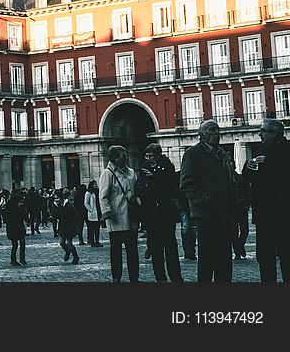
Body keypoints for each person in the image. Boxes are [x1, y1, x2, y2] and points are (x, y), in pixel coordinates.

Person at [180, 119, 235, 282]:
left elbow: (230, 179)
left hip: (225, 213)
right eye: (212, 130)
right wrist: (204, 201)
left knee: (225, 257)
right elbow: (186, 184)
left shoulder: (222, 154)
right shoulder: (193, 154)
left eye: (218, 130)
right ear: (202, 135)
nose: (217, 133)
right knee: (207, 257)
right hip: (206, 214)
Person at [242, 118, 290, 281]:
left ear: (274, 133)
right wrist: (247, 168)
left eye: (263, 131)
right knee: (264, 256)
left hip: (284, 212)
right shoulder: (260, 151)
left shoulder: (287, 150)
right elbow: (249, 178)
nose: (260, 134)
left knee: (286, 254)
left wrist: (269, 163)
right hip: (263, 212)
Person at [137, 142, 183, 282]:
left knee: (170, 246)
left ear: (158, 155)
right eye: (147, 155)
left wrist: (154, 178)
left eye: (151, 156)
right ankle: (160, 277)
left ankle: (175, 276)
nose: (149, 158)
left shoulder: (167, 165)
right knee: (155, 248)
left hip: (166, 211)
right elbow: (140, 187)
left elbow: (171, 184)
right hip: (150, 212)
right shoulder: (144, 166)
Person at [99, 145, 139, 282]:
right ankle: (117, 277)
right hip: (116, 218)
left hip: (131, 216)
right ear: (115, 158)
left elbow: (137, 191)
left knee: (132, 250)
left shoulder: (131, 172)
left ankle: (134, 276)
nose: (126, 157)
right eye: (123, 155)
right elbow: (103, 196)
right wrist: (107, 213)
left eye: (126, 154)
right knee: (116, 251)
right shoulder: (108, 173)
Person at [231, 166, 250, 260]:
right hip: (231, 208)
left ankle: (240, 245)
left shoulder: (240, 178)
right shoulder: (225, 180)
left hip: (241, 206)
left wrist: (247, 203)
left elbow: (247, 191)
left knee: (245, 229)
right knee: (233, 231)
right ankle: (237, 251)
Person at [4, 190, 27, 266]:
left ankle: (22, 259)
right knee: (15, 245)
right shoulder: (11, 211)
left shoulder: (21, 209)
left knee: (22, 243)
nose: (22, 204)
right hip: (13, 229)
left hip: (20, 228)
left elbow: (24, 218)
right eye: (20, 202)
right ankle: (13, 260)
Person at [56, 191, 79, 264]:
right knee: (61, 242)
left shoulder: (69, 206)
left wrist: (73, 225)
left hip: (69, 227)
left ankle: (76, 257)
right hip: (62, 227)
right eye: (55, 198)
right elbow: (55, 214)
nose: (56, 200)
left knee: (69, 243)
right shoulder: (57, 206)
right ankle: (68, 252)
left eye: (57, 198)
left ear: (61, 198)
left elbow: (76, 216)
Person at [83, 180, 104, 247]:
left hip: (98, 212)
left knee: (97, 228)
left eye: (96, 184)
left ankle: (97, 241)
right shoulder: (88, 193)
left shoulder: (97, 192)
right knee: (91, 229)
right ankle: (92, 242)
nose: (96, 185)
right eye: (94, 184)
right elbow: (86, 203)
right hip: (92, 213)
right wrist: (90, 209)